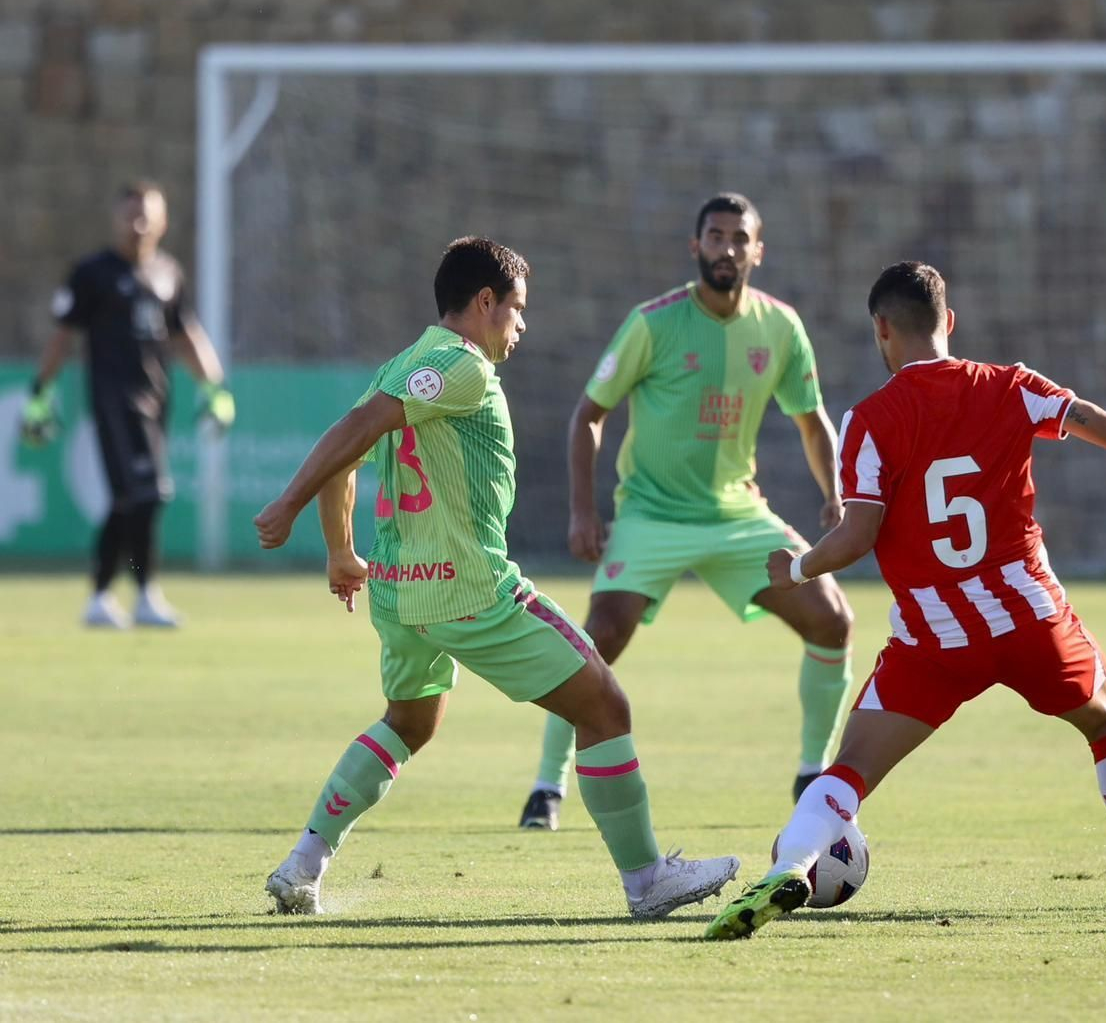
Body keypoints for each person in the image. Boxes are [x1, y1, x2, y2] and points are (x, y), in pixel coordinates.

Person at [704, 261, 1106, 940]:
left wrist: (796, 567)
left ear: (882, 329)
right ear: (950, 322)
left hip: (934, 636)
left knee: (851, 768)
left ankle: (790, 866)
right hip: (1029, 617)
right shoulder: (1013, 386)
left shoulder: (869, 420)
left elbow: (856, 536)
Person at [253, 236, 738, 918]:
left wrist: (341, 550)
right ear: (485, 301)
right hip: (470, 589)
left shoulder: (403, 362)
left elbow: (350, 443)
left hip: (400, 591)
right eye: (518, 308)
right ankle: (646, 880)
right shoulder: (463, 365)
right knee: (605, 706)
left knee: (409, 722)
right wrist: (288, 504)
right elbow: (358, 429)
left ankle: (303, 865)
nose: (522, 324)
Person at [521, 192, 854, 831]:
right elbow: (588, 414)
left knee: (832, 621)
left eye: (739, 238)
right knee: (598, 639)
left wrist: (835, 494)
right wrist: (582, 511)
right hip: (650, 515)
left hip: (736, 515)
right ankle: (547, 786)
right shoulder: (653, 323)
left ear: (758, 251)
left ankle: (813, 775)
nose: (727, 248)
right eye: (715, 236)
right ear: (695, 246)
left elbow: (812, 423)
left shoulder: (781, 327)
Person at [20, 180, 235, 628]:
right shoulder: (92, 273)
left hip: (157, 400)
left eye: (146, 217)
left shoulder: (168, 273)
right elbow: (62, 336)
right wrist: (40, 394)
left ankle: (102, 596)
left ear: (162, 222)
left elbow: (187, 334)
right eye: (129, 216)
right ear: (115, 219)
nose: (138, 225)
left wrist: (215, 389)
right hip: (114, 402)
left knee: (128, 500)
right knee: (150, 492)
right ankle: (144, 592)